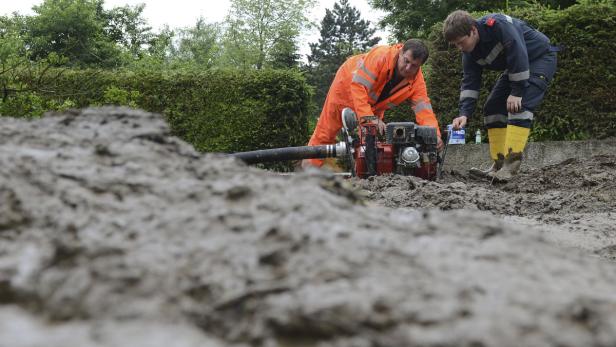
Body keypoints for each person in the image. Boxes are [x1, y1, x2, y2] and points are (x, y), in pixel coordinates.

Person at [443, 10, 558, 182]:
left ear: (473, 30)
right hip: (517, 67)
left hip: (540, 58)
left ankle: (510, 168)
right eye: (456, 45)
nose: (460, 48)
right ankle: (498, 165)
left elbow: (518, 52)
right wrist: (464, 114)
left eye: (461, 42)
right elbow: (470, 81)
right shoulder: (469, 52)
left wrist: (517, 92)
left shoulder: (498, 25)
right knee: (493, 108)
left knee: (519, 106)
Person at [302, 39, 443, 169]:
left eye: (414, 66)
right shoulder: (381, 56)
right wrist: (370, 119)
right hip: (345, 86)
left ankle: (366, 178)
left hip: (372, 105)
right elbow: (358, 87)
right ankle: (308, 174)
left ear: (420, 66)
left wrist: (434, 135)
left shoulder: (417, 82)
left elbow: (424, 110)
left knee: (370, 142)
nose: (407, 68)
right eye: (406, 61)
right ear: (400, 52)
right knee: (326, 133)